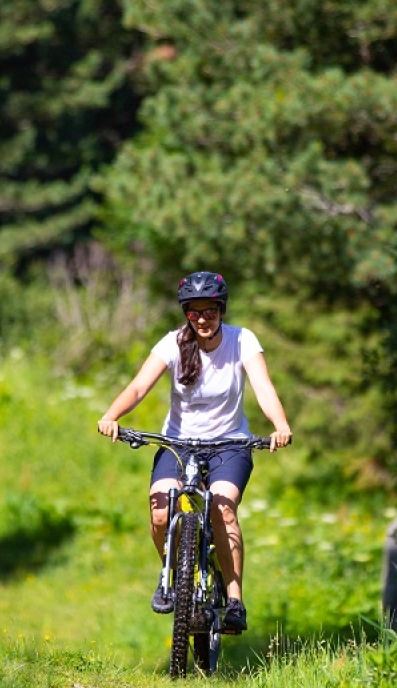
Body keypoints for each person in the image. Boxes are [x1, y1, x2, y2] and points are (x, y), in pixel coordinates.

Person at [96, 270, 292, 634]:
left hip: (229, 445)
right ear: (186, 313)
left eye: (211, 311)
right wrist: (111, 416)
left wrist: (280, 425)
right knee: (159, 511)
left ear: (221, 310)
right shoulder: (172, 344)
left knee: (222, 508)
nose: (203, 319)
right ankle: (173, 577)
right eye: (195, 312)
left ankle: (234, 600)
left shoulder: (242, 340)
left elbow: (263, 387)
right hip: (179, 444)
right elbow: (139, 386)